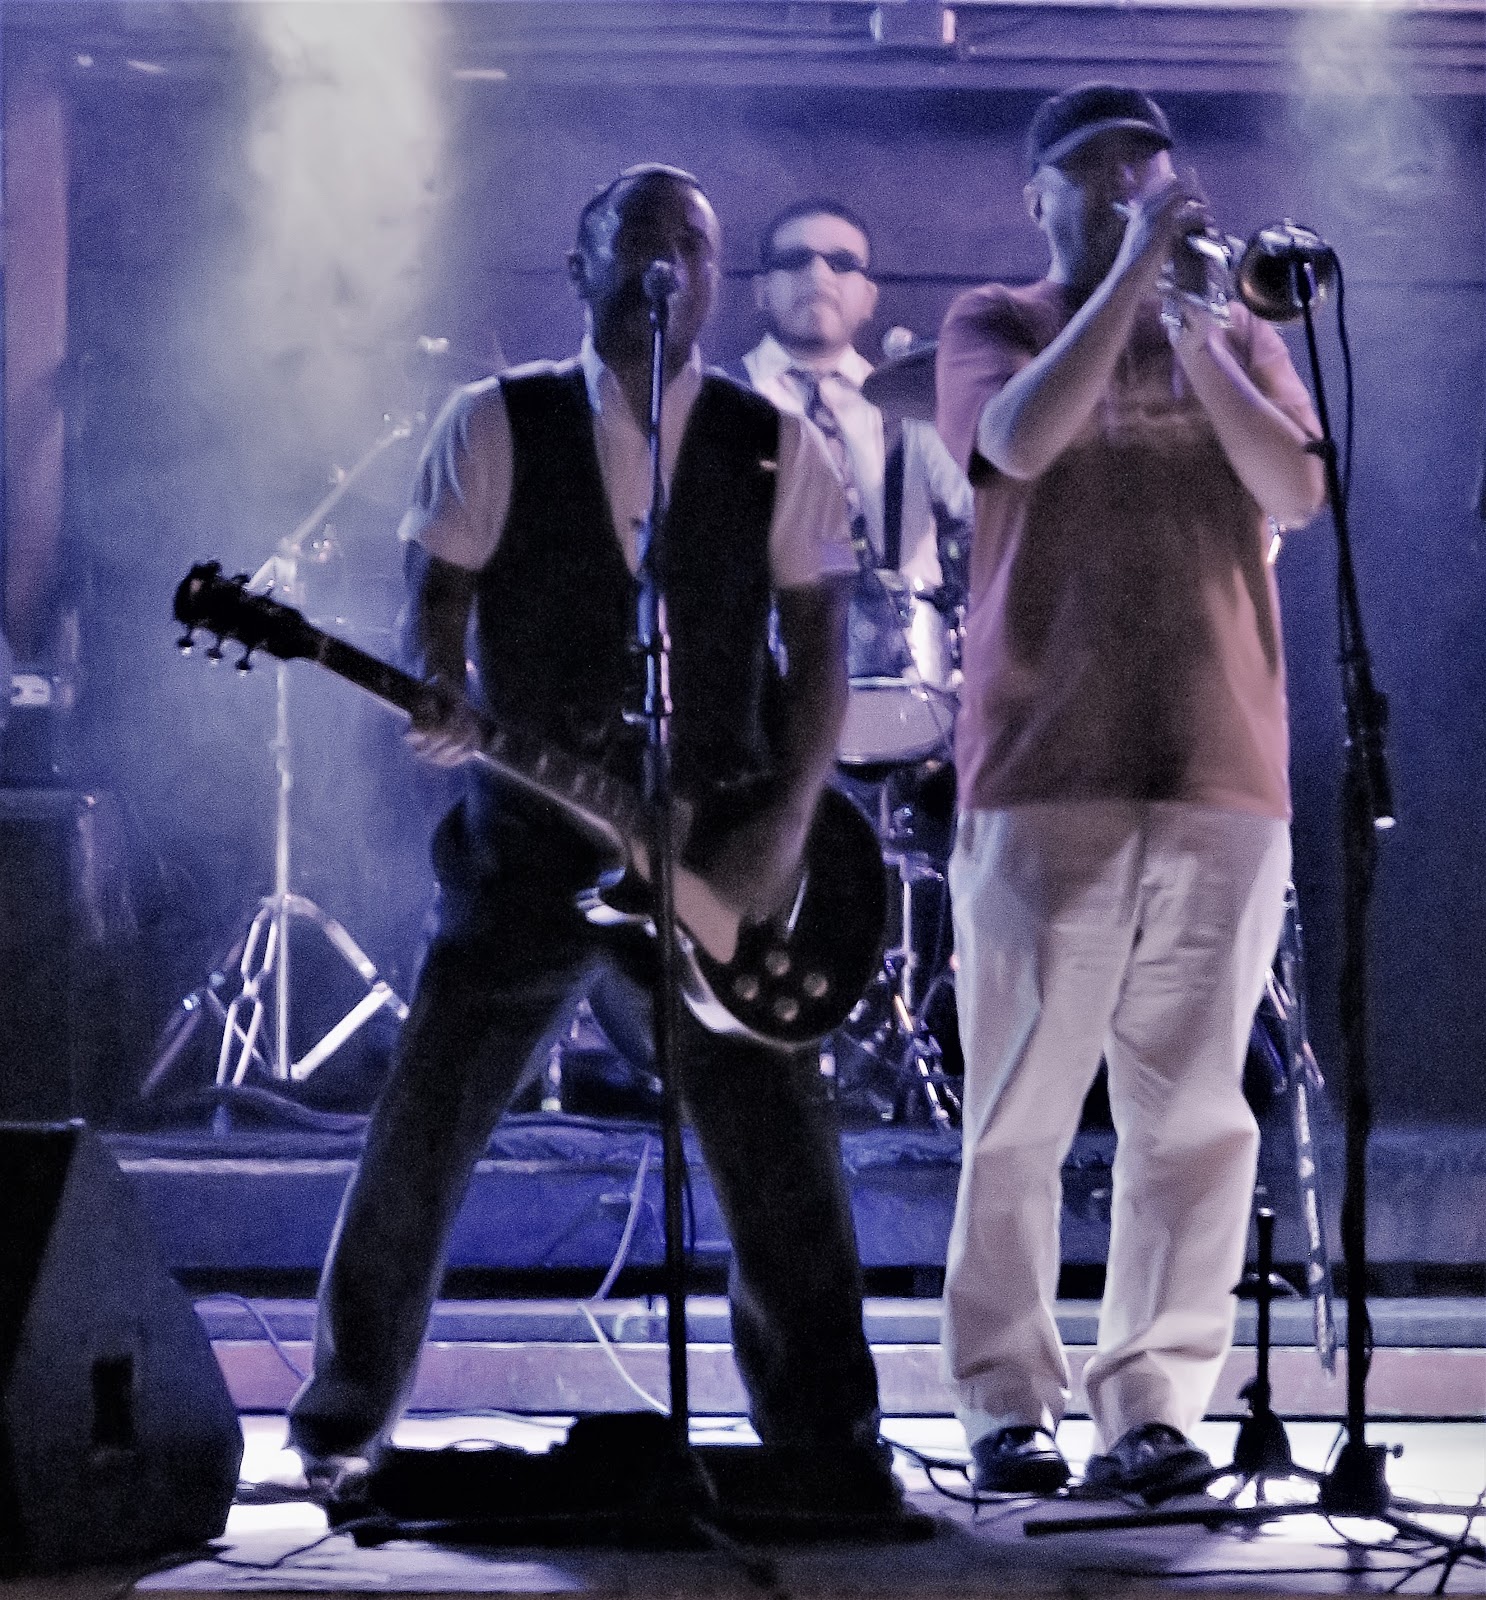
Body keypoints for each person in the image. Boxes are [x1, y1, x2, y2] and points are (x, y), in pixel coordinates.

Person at [285, 163, 894, 1502]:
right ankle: (342, 1417)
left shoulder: (769, 440)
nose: (667, 259)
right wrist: (438, 684)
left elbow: (820, 645)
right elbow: (436, 595)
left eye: (694, 242)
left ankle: (826, 1439)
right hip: (529, 843)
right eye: (639, 237)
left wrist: (786, 827)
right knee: (427, 1122)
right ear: (582, 267)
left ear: (716, 276)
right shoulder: (493, 420)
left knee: (776, 1144)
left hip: (713, 842)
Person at [934, 84, 1326, 1499]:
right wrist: (1124, 290)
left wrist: (1198, 326)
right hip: (1045, 761)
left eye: (1143, 173)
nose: (1121, 194)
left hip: (1222, 762)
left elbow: (1295, 492)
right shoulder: (995, 319)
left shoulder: (1239, 334)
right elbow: (1015, 443)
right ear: (1034, 196)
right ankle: (1005, 1402)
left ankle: (1152, 1402)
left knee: (1195, 1114)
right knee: (1019, 1110)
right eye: (1091, 174)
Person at [742, 199, 973, 601]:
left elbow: (981, 506)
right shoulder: (718, 399)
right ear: (761, 291)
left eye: (841, 263)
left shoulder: (912, 398)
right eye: (795, 260)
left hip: (903, 634)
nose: (818, 274)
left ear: (869, 297)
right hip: (758, 626)